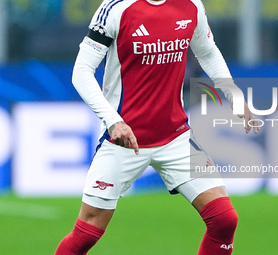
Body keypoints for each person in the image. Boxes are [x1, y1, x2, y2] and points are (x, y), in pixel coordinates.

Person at [55, 0, 259, 254]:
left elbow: (207, 51)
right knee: (86, 233)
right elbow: (82, 71)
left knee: (224, 219)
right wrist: (112, 120)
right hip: (122, 140)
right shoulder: (116, 8)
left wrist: (231, 91)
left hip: (176, 137)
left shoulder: (191, 5)